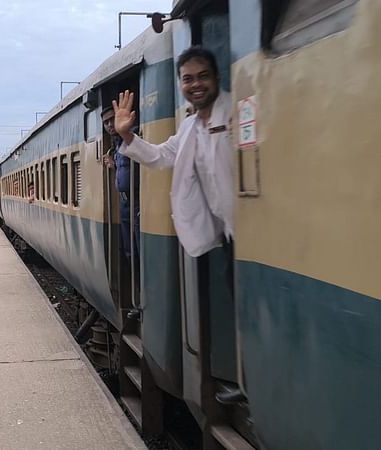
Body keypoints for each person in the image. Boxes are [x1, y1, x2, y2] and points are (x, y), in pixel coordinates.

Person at [114, 48, 240, 402]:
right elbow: (159, 157)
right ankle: (245, 382)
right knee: (238, 303)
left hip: (253, 232)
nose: (195, 84)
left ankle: (254, 385)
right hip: (230, 235)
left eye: (202, 76)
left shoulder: (234, 110)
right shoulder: (189, 126)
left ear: (216, 78)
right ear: (181, 84)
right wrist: (127, 136)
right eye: (188, 78)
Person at [101, 105, 140, 261]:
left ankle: (141, 281)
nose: (110, 124)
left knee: (138, 245)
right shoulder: (117, 145)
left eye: (112, 119)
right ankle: (136, 280)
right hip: (125, 201)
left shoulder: (132, 137)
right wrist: (114, 165)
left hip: (137, 199)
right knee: (129, 247)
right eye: (106, 122)